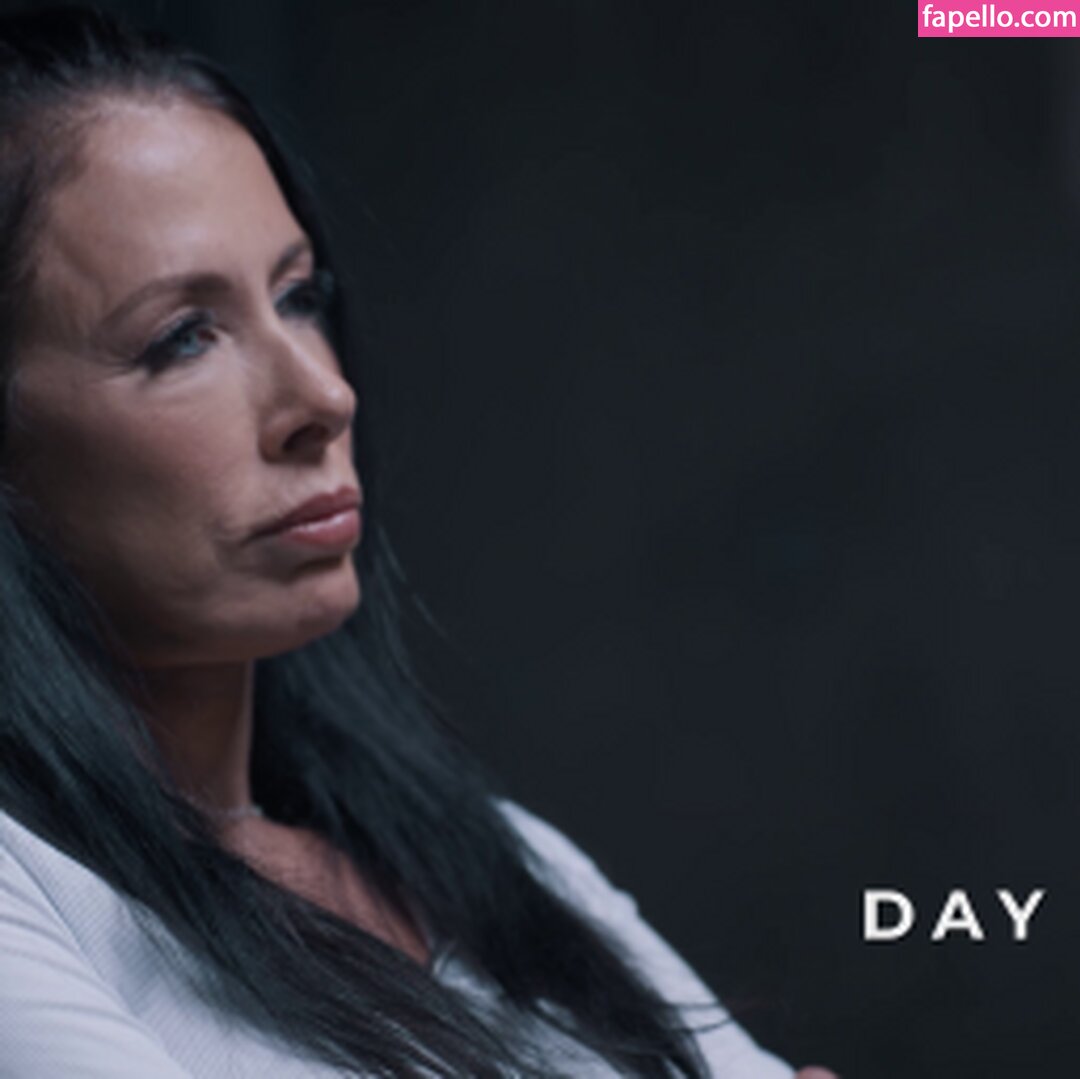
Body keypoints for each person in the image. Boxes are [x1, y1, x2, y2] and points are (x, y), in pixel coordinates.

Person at [0, 7, 836, 1077]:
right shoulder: (32, 891)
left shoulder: (503, 861)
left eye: (299, 297)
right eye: (184, 337)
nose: (323, 395)